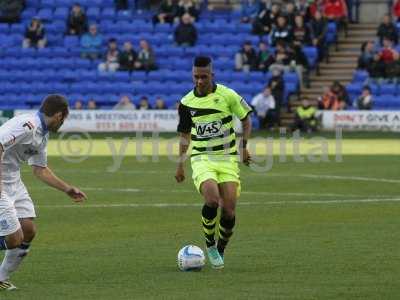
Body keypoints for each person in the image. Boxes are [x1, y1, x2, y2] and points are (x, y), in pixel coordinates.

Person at [0, 94, 87, 290]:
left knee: (28, 230)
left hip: (13, 181)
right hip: (1, 183)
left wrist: (67, 189)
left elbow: (40, 169)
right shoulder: (28, 124)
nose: (63, 122)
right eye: (64, 118)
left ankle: (1, 277)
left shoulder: (42, 134)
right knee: (14, 239)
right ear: (58, 115)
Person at [175, 56, 252, 269]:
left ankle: (220, 248)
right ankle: (209, 245)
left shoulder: (228, 95)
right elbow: (184, 136)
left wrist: (244, 146)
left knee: (229, 210)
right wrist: (180, 164)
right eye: (196, 77)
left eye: (204, 77)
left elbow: (246, 119)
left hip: (227, 159)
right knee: (212, 199)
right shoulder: (186, 103)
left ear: (212, 75)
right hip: (202, 158)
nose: (199, 81)